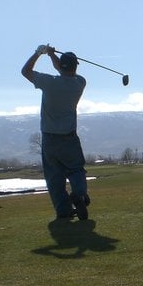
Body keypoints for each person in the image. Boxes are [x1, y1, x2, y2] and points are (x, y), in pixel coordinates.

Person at [21, 45, 90, 220]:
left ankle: (63, 211)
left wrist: (39, 53)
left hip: (50, 139)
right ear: (75, 67)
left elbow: (25, 71)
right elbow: (63, 70)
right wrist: (52, 55)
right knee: (76, 170)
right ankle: (79, 195)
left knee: (54, 178)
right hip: (70, 137)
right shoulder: (80, 83)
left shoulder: (49, 82)